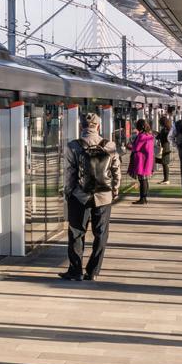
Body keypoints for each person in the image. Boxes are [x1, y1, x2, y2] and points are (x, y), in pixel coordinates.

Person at [60, 113, 120, 282]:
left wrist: (68, 192)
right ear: (98, 126)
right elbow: (116, 171)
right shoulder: (109, 145)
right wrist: (114, 191)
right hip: (104, 196)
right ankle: (93, 271)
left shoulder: (73, 146)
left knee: (76, 233)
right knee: (101, 234)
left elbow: (69, 173)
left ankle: (76, 271)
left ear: (81, 127)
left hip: (79, 196)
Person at [127, 119, 155, 204]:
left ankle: (143, 198)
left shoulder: (141, 136)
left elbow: (136, 148)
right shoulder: (149, 135)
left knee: (142, 180)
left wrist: (128, 146)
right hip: (147, 159)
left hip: (141, 161)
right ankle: (144, 198)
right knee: (145, 179)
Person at [156, 116, 172, 185]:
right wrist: (158, 134)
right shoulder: (167, 129)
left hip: (165, 147)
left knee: (165, 163)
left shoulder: (165, 130)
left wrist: (158, 135)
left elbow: (161, 137)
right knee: (164, 163)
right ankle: (166, 179)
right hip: (166, 146)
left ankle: (166, 179)